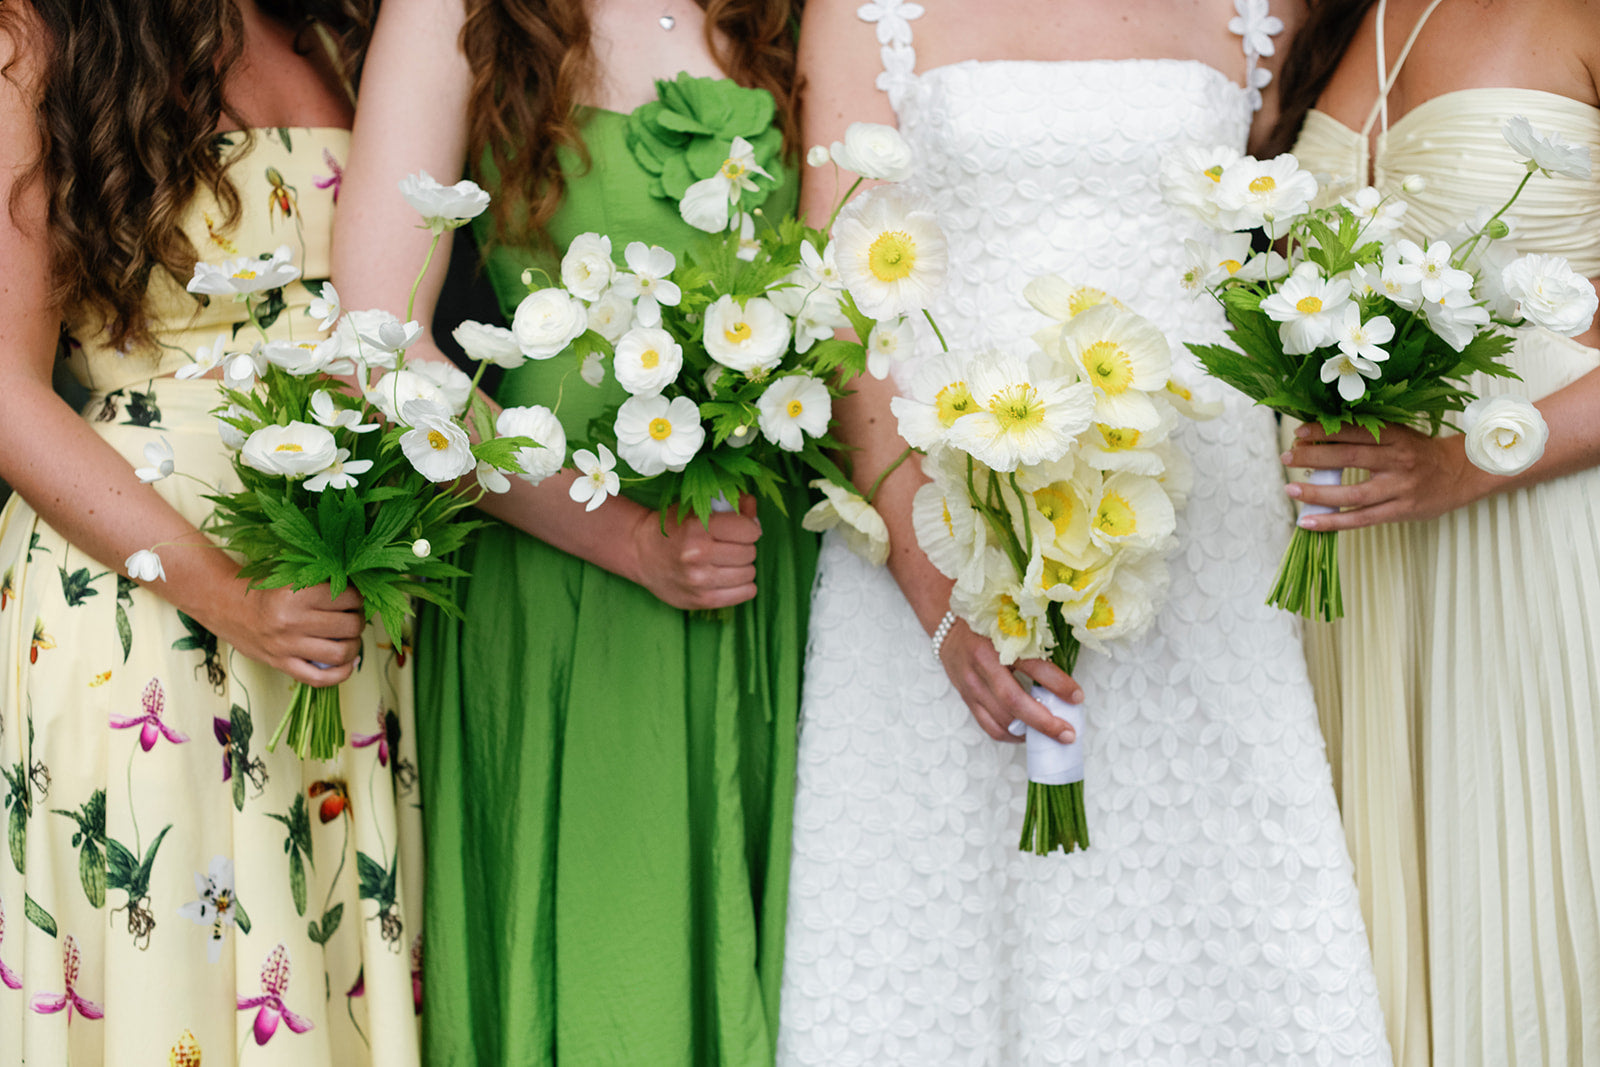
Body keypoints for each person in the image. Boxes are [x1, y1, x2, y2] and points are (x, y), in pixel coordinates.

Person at [776, 1, 1394, 1063]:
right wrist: (940, 591)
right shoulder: (862, 10)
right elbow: (841, 313)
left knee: (1207, 901)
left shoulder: (1264, 11)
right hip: (947, 509)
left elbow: (1290, 229)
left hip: (1195, 514)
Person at [333, 1, 815, 1063]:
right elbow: (374, 346)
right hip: (569, 561)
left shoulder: (781, 14)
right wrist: (630, 540)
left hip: (766, 562)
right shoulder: (458, 12)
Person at [0, 2, 422, 1065]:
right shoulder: (32, 37)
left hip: (331, 606)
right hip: (143, 608)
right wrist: (230, 596)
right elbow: (4, 390)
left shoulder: (326, 25)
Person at [1273, 1, 1600, 1062]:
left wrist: (1468, 458)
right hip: (1353, 565)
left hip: (1539, 538)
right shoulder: (1329, 14)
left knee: (1518, 898)